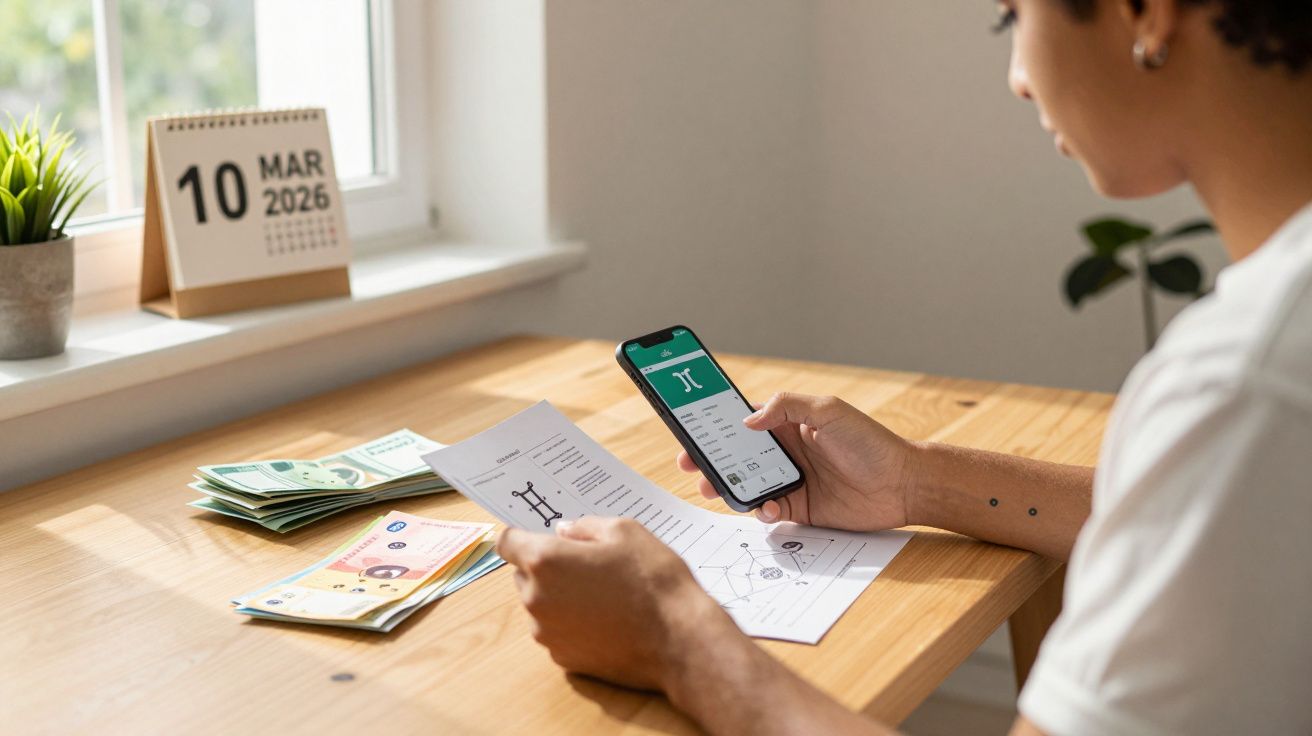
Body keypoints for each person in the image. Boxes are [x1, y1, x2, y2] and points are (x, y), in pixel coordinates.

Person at [496, 1, 1312, 733]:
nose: (1020, 79)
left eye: (1011, 17)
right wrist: (917, 483)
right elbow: (1231, 510)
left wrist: (673, 635)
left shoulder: (1251, 380)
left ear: (1149, 14)